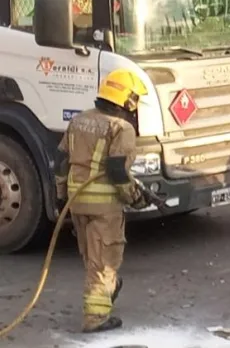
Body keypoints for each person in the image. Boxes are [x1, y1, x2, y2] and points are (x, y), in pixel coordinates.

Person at [54, 69, 157, 333]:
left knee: (92, 258)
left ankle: (108, 288)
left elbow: (61, 162)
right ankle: (96, 318)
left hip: (77, 202)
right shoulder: (121, 128)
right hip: (104, 206)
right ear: (128, 100)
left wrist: (60, 196)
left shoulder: (79, 120)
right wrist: (135, 198)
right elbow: (116, 170)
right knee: (104, 262)